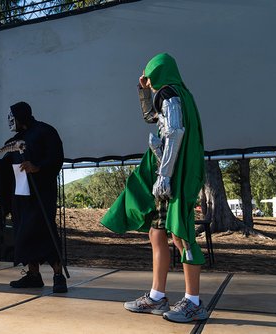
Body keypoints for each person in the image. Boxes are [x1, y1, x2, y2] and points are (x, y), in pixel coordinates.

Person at [101, 53, 207, 322]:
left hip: (172, 174)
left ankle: (194, 301)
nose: (147, 80)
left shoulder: (170, 93)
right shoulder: (173, 94)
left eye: (148, 75)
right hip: (167, 171)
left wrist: (166, 176)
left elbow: (174, 134)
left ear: (158, 72)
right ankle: (157, 296)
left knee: (182, 235)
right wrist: (143, 91)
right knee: (156, 231)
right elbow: (153, 118)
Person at [0, 101, 67, 293]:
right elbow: (1, 167)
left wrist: (37, 167)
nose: (10, 121)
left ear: (21, 116)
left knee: (45, 232)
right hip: (21, 196)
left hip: (41, 194)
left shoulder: (45, 131)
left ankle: (58, 275)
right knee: (24, 235)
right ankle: (33, 276)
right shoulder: (13, 143)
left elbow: (56, 157)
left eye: (13, 117)